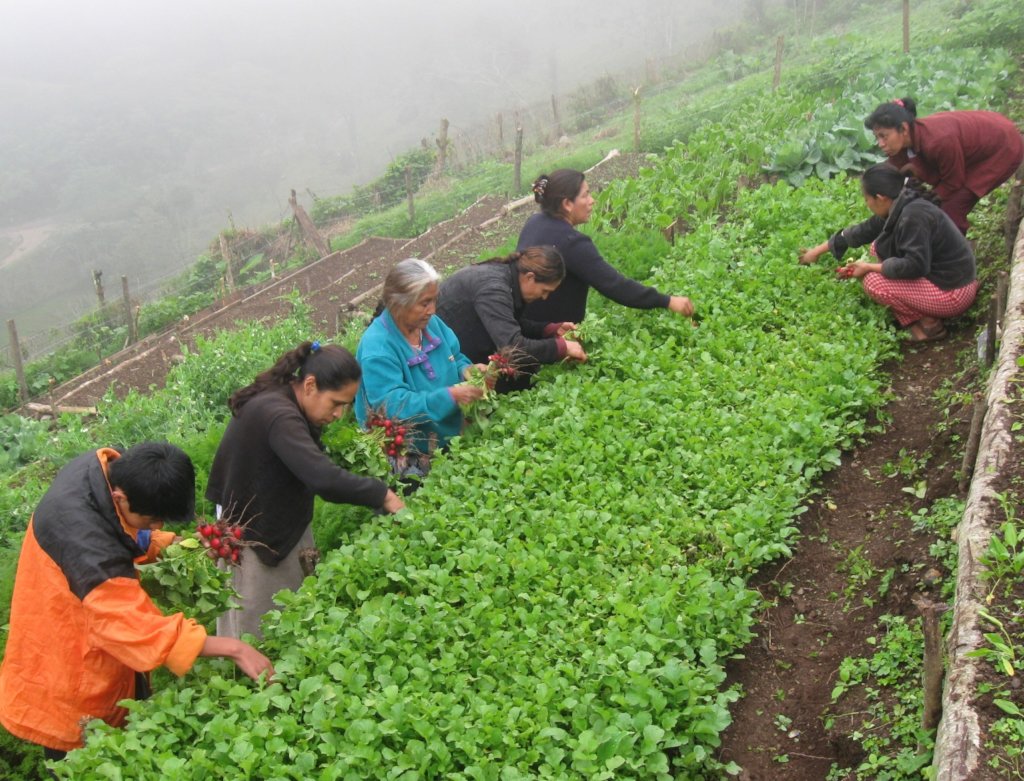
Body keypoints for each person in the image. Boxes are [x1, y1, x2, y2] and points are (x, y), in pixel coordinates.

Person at [0, 442, 274, 761]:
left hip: (84, 635)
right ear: (121, 497)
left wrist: (171, 544)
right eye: (154, 519)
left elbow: (119, 530)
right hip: (68, 674)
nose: (158, 526)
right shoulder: (89, 548)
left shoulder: (103, 474)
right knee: (83, 762)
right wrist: (234, 647)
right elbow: (136, 627)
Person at [207, 341, 403, 640]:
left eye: (346, 405)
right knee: (263, 634)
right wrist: (382, 494)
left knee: (291, 619)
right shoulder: (280, 414)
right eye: (336, 403)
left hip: (268, 522)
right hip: (256, 537)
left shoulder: (285, 399)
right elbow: (322, 479)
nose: (339, 414)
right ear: (310, 385)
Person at [799, 163, 978, 342]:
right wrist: (816, 252)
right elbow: (864, 231)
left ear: (880, 198)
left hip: (955, 292)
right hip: (950, 278)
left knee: (874, 282)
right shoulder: (902, 201)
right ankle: (927, 317)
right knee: (877, 247)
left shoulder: (913, 217)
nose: (866, 203)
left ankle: (925, 326)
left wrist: (868, 267)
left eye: (866, 198)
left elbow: (915, 266)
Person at [517, 168, 695, 323]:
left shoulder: (534, 222)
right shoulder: (573, 243)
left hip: (519, 324)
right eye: (585, 195)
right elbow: (615, 286)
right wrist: (668, 301)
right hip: (552, 337)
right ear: (567, 204)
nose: (592, 200)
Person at [355, 259, 485, 464]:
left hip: (450, 435)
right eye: (424, 303)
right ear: (398, 303)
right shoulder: (378, 349)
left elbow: (455, 357)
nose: (432, 310)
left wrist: (468, 370)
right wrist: (449, 396)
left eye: (434, 300)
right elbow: (393, 406)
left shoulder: (431, 324)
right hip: (410, 450)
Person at [863, 97, 1023, 234]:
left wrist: (927, 200)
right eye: (877, 137)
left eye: (884, 136)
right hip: (978, 143)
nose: (881, 144)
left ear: (903, 128)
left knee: (951, 207)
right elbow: (895, 171)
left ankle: (955, 259)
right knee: (929, 204)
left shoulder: (938, 142)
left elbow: (953, 183)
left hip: (1002, 146)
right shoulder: (905, 141)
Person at [436, 247, 588, 386]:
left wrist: (548, 329)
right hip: (443, 361)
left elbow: (508, 323)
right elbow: (512, 346)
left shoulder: (506, 276)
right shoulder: (494, 289)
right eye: (544, 290)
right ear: (530, 277)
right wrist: (562, 347)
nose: (544, 297)